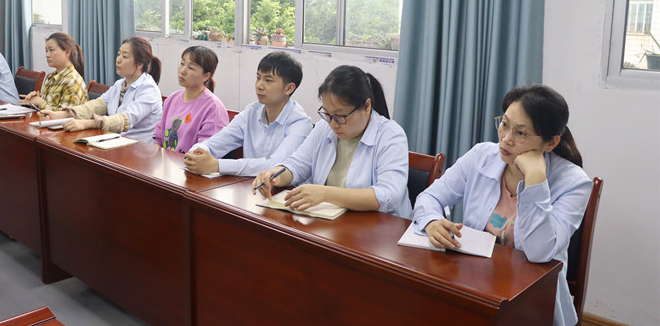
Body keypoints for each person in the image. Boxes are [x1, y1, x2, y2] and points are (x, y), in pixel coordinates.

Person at [412, 85, 592, 326]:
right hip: (473, 285)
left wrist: (535, 179)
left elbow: (539, 253)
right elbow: (429, 197)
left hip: (531, 301)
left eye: (521, 133)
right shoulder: (481, 156)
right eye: (504, 124)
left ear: (550, 143)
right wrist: (432, 221)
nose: (506, 138)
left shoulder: (574, 183)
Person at [253, 65, 411, 218]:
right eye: (327, 114)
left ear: (367, 106)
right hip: (331, 223)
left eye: (340, 116)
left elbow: (388, 196)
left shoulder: (390, 135)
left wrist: (325, 194)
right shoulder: (324, 128)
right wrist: (275, 175)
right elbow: (297, 165)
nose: (333, 124)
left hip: (380, 227)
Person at [184, 51, 311, 176]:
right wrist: (195, 154)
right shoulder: (251, 112)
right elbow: (214, 143)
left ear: (289, 88)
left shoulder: (300, 123)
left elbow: (277, 166)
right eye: (258, 78)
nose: (259, 85)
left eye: (268, 80)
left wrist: (217, 165)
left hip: (282, 188)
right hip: (247, 185)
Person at [41, 37, 162, 143]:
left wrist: (87, 123)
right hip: (116, 142)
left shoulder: (149, 89)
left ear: (140, 64)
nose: (118, 59)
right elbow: (96, 105)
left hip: (139, 150)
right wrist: (61, 115)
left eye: (124, 56)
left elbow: (124, 120)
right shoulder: (119, 85)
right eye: (118, 54)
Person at [153, 46, 228, 153]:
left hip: (190, 163)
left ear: (206, 76)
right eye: (182, 63)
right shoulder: (172, 99)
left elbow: (205, 152)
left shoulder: (213, 107)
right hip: (164, 161)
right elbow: (158, 138)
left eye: (191, 68)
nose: (183, 71)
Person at [22, 32, 88, 110]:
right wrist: (35, 101)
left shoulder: (73, 81)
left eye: (51, 50)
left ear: (67, 52)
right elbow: (48, 107)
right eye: (46, 51)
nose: (47, 55)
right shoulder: (51, 77)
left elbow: (66, 114)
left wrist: (41, 103)